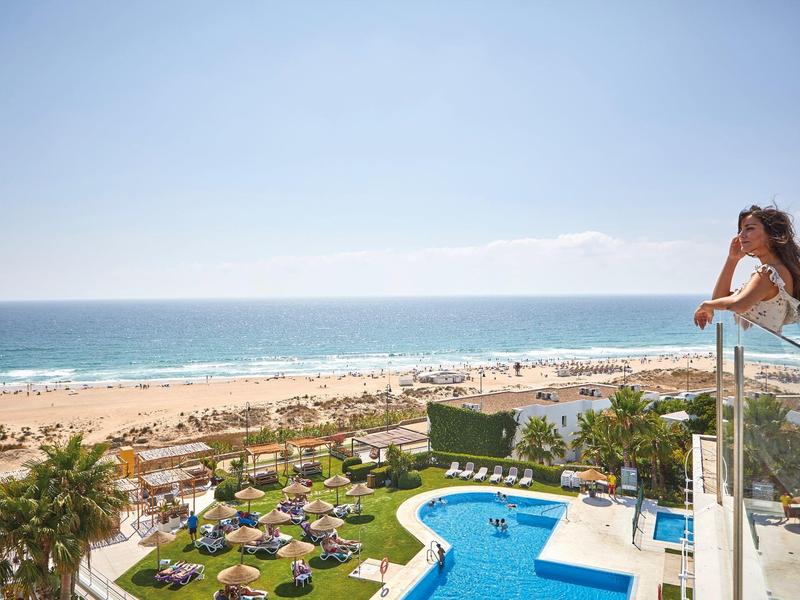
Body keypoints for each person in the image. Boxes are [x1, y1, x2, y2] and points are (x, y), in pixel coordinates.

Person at [694, 206, 800, 334]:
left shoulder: (770, 273)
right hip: (760, 349)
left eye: (749, 228)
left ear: (771, 234)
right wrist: (732, 259)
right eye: (740, 230)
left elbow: (739, 304)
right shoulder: (778, 270)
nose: (740, 235)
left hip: (758, 350)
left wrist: (705, 305)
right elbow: (719, 298)